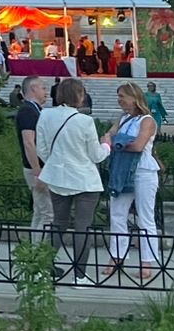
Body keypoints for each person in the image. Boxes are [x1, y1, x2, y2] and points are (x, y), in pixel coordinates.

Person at [35, 78, 111, 284]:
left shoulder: (45, 115)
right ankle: (80, 275)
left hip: (57, 177)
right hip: (84, 179)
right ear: (80, 96)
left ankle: (43, 269)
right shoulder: (85, 121)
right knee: (82, 226)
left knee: (58, 223)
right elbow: (95, 155)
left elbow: (40, 148)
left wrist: (55, 162)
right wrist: (106, 146)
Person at [102, 82, 161, 283]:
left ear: (134, 98)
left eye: (122, 96)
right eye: (118, 96)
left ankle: (147, 260)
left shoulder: (147, 120)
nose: (119, 100)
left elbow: (138, 145)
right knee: (117, 213)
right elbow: (108, 135)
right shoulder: (123, 118)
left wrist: (116, 143)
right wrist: (110, 138)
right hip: (123, 171)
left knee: (145, 217)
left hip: (143, 170)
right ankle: (117, 256)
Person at [16, 76, 53, 234]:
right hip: (36, 168)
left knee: (40, 211)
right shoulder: (28, 111)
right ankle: (40, 253)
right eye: (43, 88)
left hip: (38, 167)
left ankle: (34, 251)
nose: (46, 91)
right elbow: (29, 142)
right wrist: (38, 171)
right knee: (48, 214)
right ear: (33, 89)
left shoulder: (34, 110)